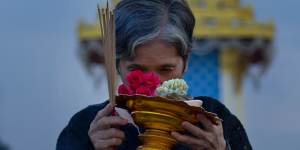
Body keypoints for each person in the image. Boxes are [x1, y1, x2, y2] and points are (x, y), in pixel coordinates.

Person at [56, 0, 252, 149]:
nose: (153, 84)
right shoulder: (86, 128)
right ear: (116, 65)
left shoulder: (214, 124)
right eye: (136, 70)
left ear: (185, 62)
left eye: (166, 69)